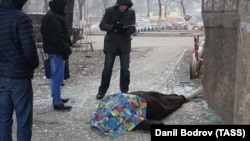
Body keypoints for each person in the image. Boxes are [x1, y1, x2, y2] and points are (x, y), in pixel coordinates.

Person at [90, 86, 203, 136]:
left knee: (168, 103)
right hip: (139, 96)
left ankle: (181, 95)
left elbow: (148, 124)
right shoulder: (111, 103)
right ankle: (175, 94)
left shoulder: (125, 119)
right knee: (167, 101)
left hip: (148, 103)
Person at [0, 0, 40, 140]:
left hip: (1, 77)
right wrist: (34, 64)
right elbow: (29, 50)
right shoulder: (20, 18)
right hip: (19, 78)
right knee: (23, 120)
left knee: (3, 120)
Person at [96, 0, 136, 100]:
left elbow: (133, 28)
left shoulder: (131, 12)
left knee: (125, 70)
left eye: (126, 6)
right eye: (122, 5)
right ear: (118, 4)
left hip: (124, 44)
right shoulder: (110, 11)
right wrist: (113, 27)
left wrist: (126, 31)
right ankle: (102, 91)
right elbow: (102, 25)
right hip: (111, 44)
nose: (124, 8)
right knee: (107, 69)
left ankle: (124, 91)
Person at [41, 0, 72, 111]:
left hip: (55, 50)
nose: (66, 8)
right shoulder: (54, 17)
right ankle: (57, 102)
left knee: (57, 77)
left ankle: (57, 97)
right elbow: (58, 37)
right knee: (57, 77)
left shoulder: (53, 15)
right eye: (64, 6)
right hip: (57, 51)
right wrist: (65, 50)